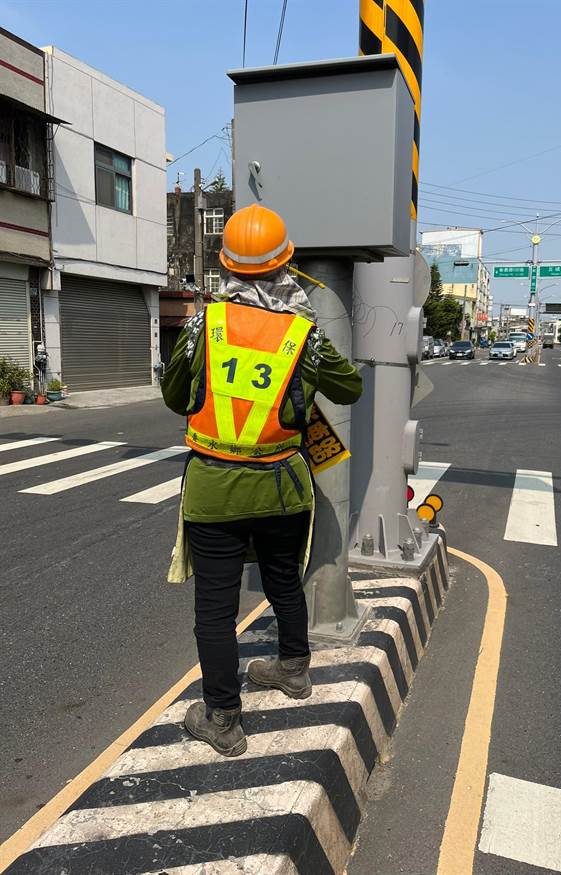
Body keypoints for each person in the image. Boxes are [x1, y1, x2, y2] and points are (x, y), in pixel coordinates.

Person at [161, 204, 362, 757]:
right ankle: (293, 670)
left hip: (214, 490)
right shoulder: (303, 334)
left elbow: (175, 395)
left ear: (226, 265)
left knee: (215, 610)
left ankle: (222, 718)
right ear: (285, 264)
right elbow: (349, 389)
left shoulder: (204, 326)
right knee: (282, 580)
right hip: (283, 487)